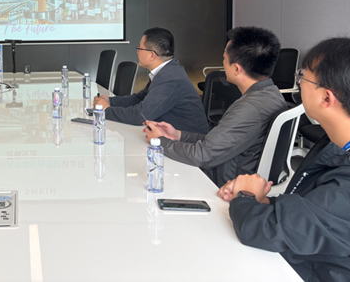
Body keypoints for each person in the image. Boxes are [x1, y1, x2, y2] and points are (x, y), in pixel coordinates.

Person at [217, 38, 350, 281]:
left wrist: (245, 196)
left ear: (327, 98)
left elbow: (263, 230)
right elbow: (314, 209)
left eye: (303, 77)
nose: (299, 83)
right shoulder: (334, 143)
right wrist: (263, 199)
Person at [144, 26, 286, 187]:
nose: (222, 62)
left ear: (237, 68)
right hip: (233, 174)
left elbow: (202, 156)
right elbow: (218, 142)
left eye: (224, 58)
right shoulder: (271, 94)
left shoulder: (250, 108)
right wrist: (178, 135)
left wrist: (159, 141)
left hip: (222, 184)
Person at [94, 27, 209, 134]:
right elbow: (140, 98)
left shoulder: (169, 78)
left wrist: (106, 110)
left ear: (152, 55)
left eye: (139, 48)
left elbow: (140, 116)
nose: (137, 51)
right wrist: (111, 101)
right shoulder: (166, 71)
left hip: (189, 143)